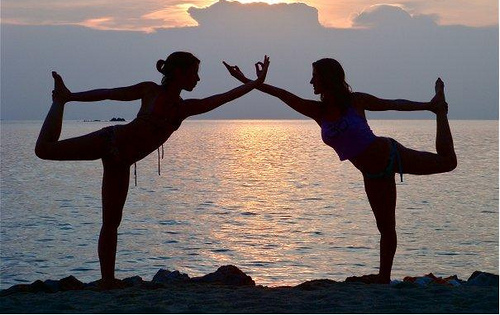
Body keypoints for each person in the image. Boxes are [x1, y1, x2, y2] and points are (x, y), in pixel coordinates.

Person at [35, 51, 269, 289]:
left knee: (112, 221)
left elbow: (223, 98)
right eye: (194, 73)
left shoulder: (184, 108)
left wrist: (255, 83)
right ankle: (59, 101)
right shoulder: (150, 91)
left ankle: (107, 279)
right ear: (179, 73)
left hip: (121, 162)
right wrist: (71, 97)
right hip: (111, 140)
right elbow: (110, 94)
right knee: (44, 150)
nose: (198, 79)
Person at [224, 55, 457, 284]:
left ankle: (440, 110)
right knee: (385, 226)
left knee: (448, 163)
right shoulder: (318, 111)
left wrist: (428, 106)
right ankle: (383, 277)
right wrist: (248, 80)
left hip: (390, 155)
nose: (311, 82)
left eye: (315, 76)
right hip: (372, 174)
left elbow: (393, 104)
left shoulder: (356, 101)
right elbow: (282, 95)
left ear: (328, 78)